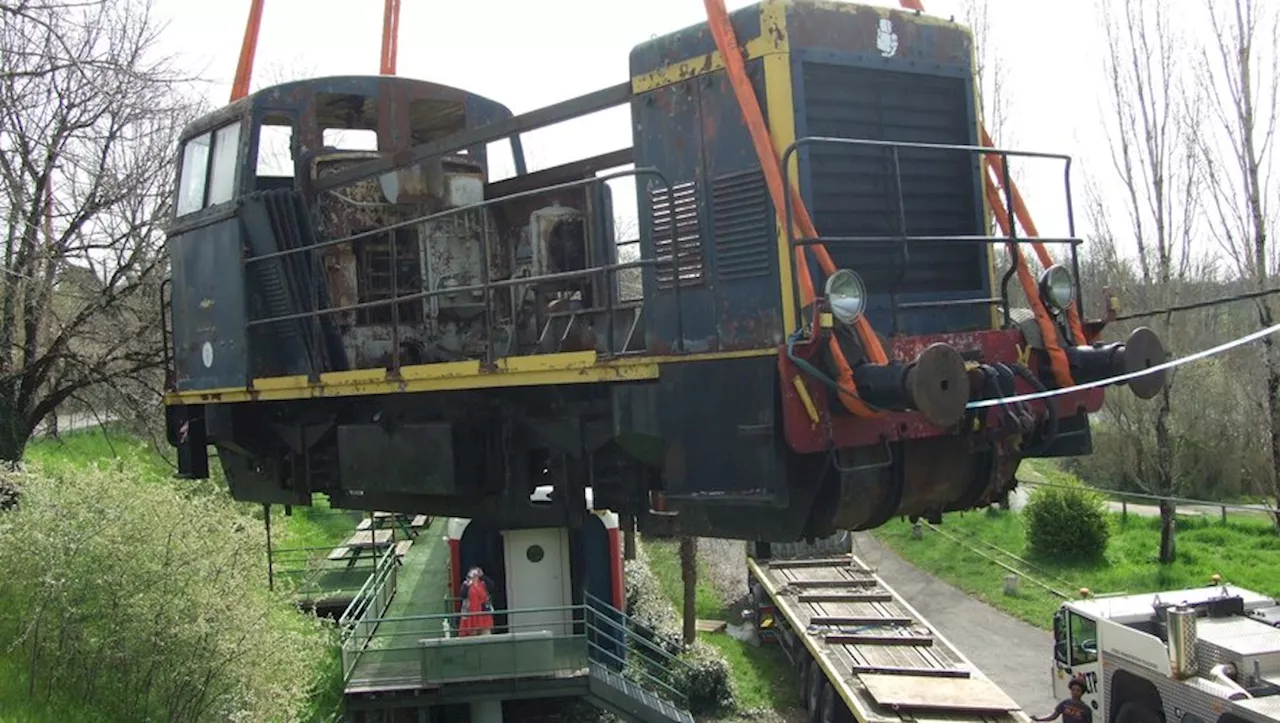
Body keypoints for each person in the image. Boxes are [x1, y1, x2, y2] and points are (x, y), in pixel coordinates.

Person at [457, 566, 495, 636]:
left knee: (486, 634)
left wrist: (483, 576)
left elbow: (492, 587)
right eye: (473, 574)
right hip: (471, 614)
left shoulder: (484, 583)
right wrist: (468, 582)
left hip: (483, 613)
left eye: (476, 574)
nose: (475, 576)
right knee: (472, 635)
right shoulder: (466, 584)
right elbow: (462, 594)